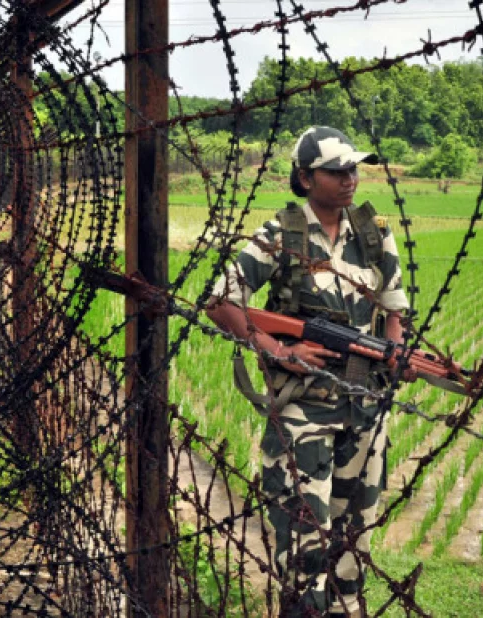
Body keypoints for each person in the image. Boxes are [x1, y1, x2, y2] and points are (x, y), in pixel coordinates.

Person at [206, 126, 408, 617]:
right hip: (303, 416)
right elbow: (219, 300)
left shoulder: (374, 232)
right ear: (304, 176)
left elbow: (396, 309)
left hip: (364, 414)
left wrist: (397, 353)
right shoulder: (281, 234)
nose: (349, 179)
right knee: (304, 548)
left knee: (351, 549)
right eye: (335, 171)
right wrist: (274, 348)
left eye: (353, 169)